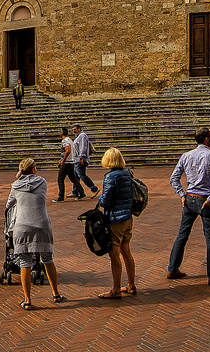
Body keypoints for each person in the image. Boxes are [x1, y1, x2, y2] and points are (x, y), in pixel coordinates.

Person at [167, 128, 210, 286]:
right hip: (204, 199)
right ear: (207, 140)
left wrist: (182, 194)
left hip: (190, 198)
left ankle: (172, 268)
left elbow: (174, 178)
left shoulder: (186, 156)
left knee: (183, 234)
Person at [4, 158, 65, 309]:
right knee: (48, 259)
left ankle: (27, 300)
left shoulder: (15, 185)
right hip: (42, 224)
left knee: (25, 263)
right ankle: (56, 294)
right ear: (34, 169)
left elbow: (9, 204)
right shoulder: (42, 182)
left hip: (22, 226)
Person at [95, 148, 138, 299]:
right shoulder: (127, 173)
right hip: (127, 217)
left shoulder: (110, 176)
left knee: (114, 254)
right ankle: (131, 284)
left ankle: (115, 289)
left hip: (115, 219)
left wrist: (99, 197)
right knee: (126, 251)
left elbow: (106, 200)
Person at [56, 130, 82, 201]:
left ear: (61, 133)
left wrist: (63, 160)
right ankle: (81, 192)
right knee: (73, 179)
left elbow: (68, 150)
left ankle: (61, 196)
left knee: (60, 179)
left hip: (66, 163)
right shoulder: (70, 140)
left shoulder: (65, 141)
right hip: (71, 162)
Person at [72, 125, 97, 195]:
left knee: (82, 175)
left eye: (75, 129)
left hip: (81, 159)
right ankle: (75, 191)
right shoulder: (78, 137)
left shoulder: (82, 136)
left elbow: (83, 147)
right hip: (76, 159)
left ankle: (94, 188)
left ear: (79, 129)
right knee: (76, 176)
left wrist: (81, 157)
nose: (74, 131)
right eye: (73, 130)